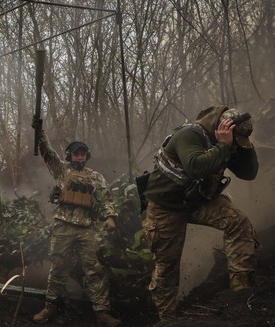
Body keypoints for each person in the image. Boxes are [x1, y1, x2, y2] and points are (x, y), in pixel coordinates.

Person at [142, 106, 259, 322]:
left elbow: (249, 172)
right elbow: (196, 166)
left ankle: (242, 287)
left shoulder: (227, 140)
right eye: (234, 140)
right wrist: (224, 144)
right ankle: (168, 319)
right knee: (167, 266)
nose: (233, 145)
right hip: (166, 208)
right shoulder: (189, 135)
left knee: (238, 221)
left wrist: (245, 146)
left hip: (198, 200)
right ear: (220, 127)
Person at [31, 118, 121, 327]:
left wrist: (110, 217)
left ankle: (102, 312)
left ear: (86, 156)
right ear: (70, 156)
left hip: (86, 228)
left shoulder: (96, 178)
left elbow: (106, 198)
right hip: (63, 226)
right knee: (58, 267)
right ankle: (50, 307)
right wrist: (40, 131)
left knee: (94, 269)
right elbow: (47, 152)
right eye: (75, 153)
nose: (79, 156)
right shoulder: (62, 171)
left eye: (82, 153)